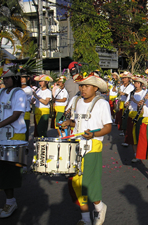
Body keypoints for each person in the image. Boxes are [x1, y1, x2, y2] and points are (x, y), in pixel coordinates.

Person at [61, 72, 112, 225]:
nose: (83, 89)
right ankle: (85, 219)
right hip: (76, 146)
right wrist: (68, 123)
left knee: (90, 182)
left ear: (95, 88)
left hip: (92, 147)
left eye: (86, 86)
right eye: (81, 85)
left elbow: (108, 127)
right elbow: (76, 123)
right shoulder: (76, 100)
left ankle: (99, 207)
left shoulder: (101, 103)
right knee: (76, 182)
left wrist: (93, 134)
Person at [0, 69, 26, 218]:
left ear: (15, 78)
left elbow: (16, 115)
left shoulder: (19, 93)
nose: (5, 81)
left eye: (8, 78)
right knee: (1, 170)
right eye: (4, 78)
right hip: (2, 136)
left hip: (14, 135)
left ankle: (11, 202)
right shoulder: (1, 93)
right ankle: (10, 200)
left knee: (9, 172)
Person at [122, 76, 147, 162]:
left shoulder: (144, 93)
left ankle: (142, 153)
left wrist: (135, 101)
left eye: (137, 83)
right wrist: (127, 104)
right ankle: (136, 154)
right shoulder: (131, 93)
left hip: (140, 115)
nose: (135, 84)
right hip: (131, 114)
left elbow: (143, 105)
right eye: (135, 83)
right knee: (132, 136)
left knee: (139, 135)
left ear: (141, 84)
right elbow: (126, 103)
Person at [21, 72, 33, 141]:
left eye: (23, 77)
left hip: (25, 112)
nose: (21, 79)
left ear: (27, 79)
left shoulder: (28, 89)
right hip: (17, 112)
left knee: (24, 131)